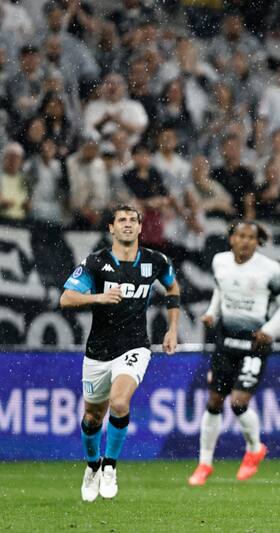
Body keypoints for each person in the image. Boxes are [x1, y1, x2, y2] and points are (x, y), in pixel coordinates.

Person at [60, 205, 181, 502]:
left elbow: (172, 287)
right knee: (91, 417)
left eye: (133, 220)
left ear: (141, 228)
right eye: (121, 220)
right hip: (98, 351)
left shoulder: (156, 261)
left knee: (119, 401)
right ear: (111, 229)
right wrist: (98, 297)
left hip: (135, 345)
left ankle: (110, 466)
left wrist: (172, 328)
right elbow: (66, 298)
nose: (127, 224)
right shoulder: (96, 262)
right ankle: (93, 467)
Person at [189, 221, 280, 486]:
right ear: (231, 239)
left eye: (251, 237)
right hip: (226, 341)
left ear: (258, 241)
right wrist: (213, 312)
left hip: (254, 344)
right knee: (214, 401)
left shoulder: (270, 270)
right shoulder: (220, 262)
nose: (245, 241)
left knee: (238, 402)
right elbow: (220, 289)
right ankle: (204, 464)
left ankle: (255, 448)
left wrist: (269, 330)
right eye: (241, 236)